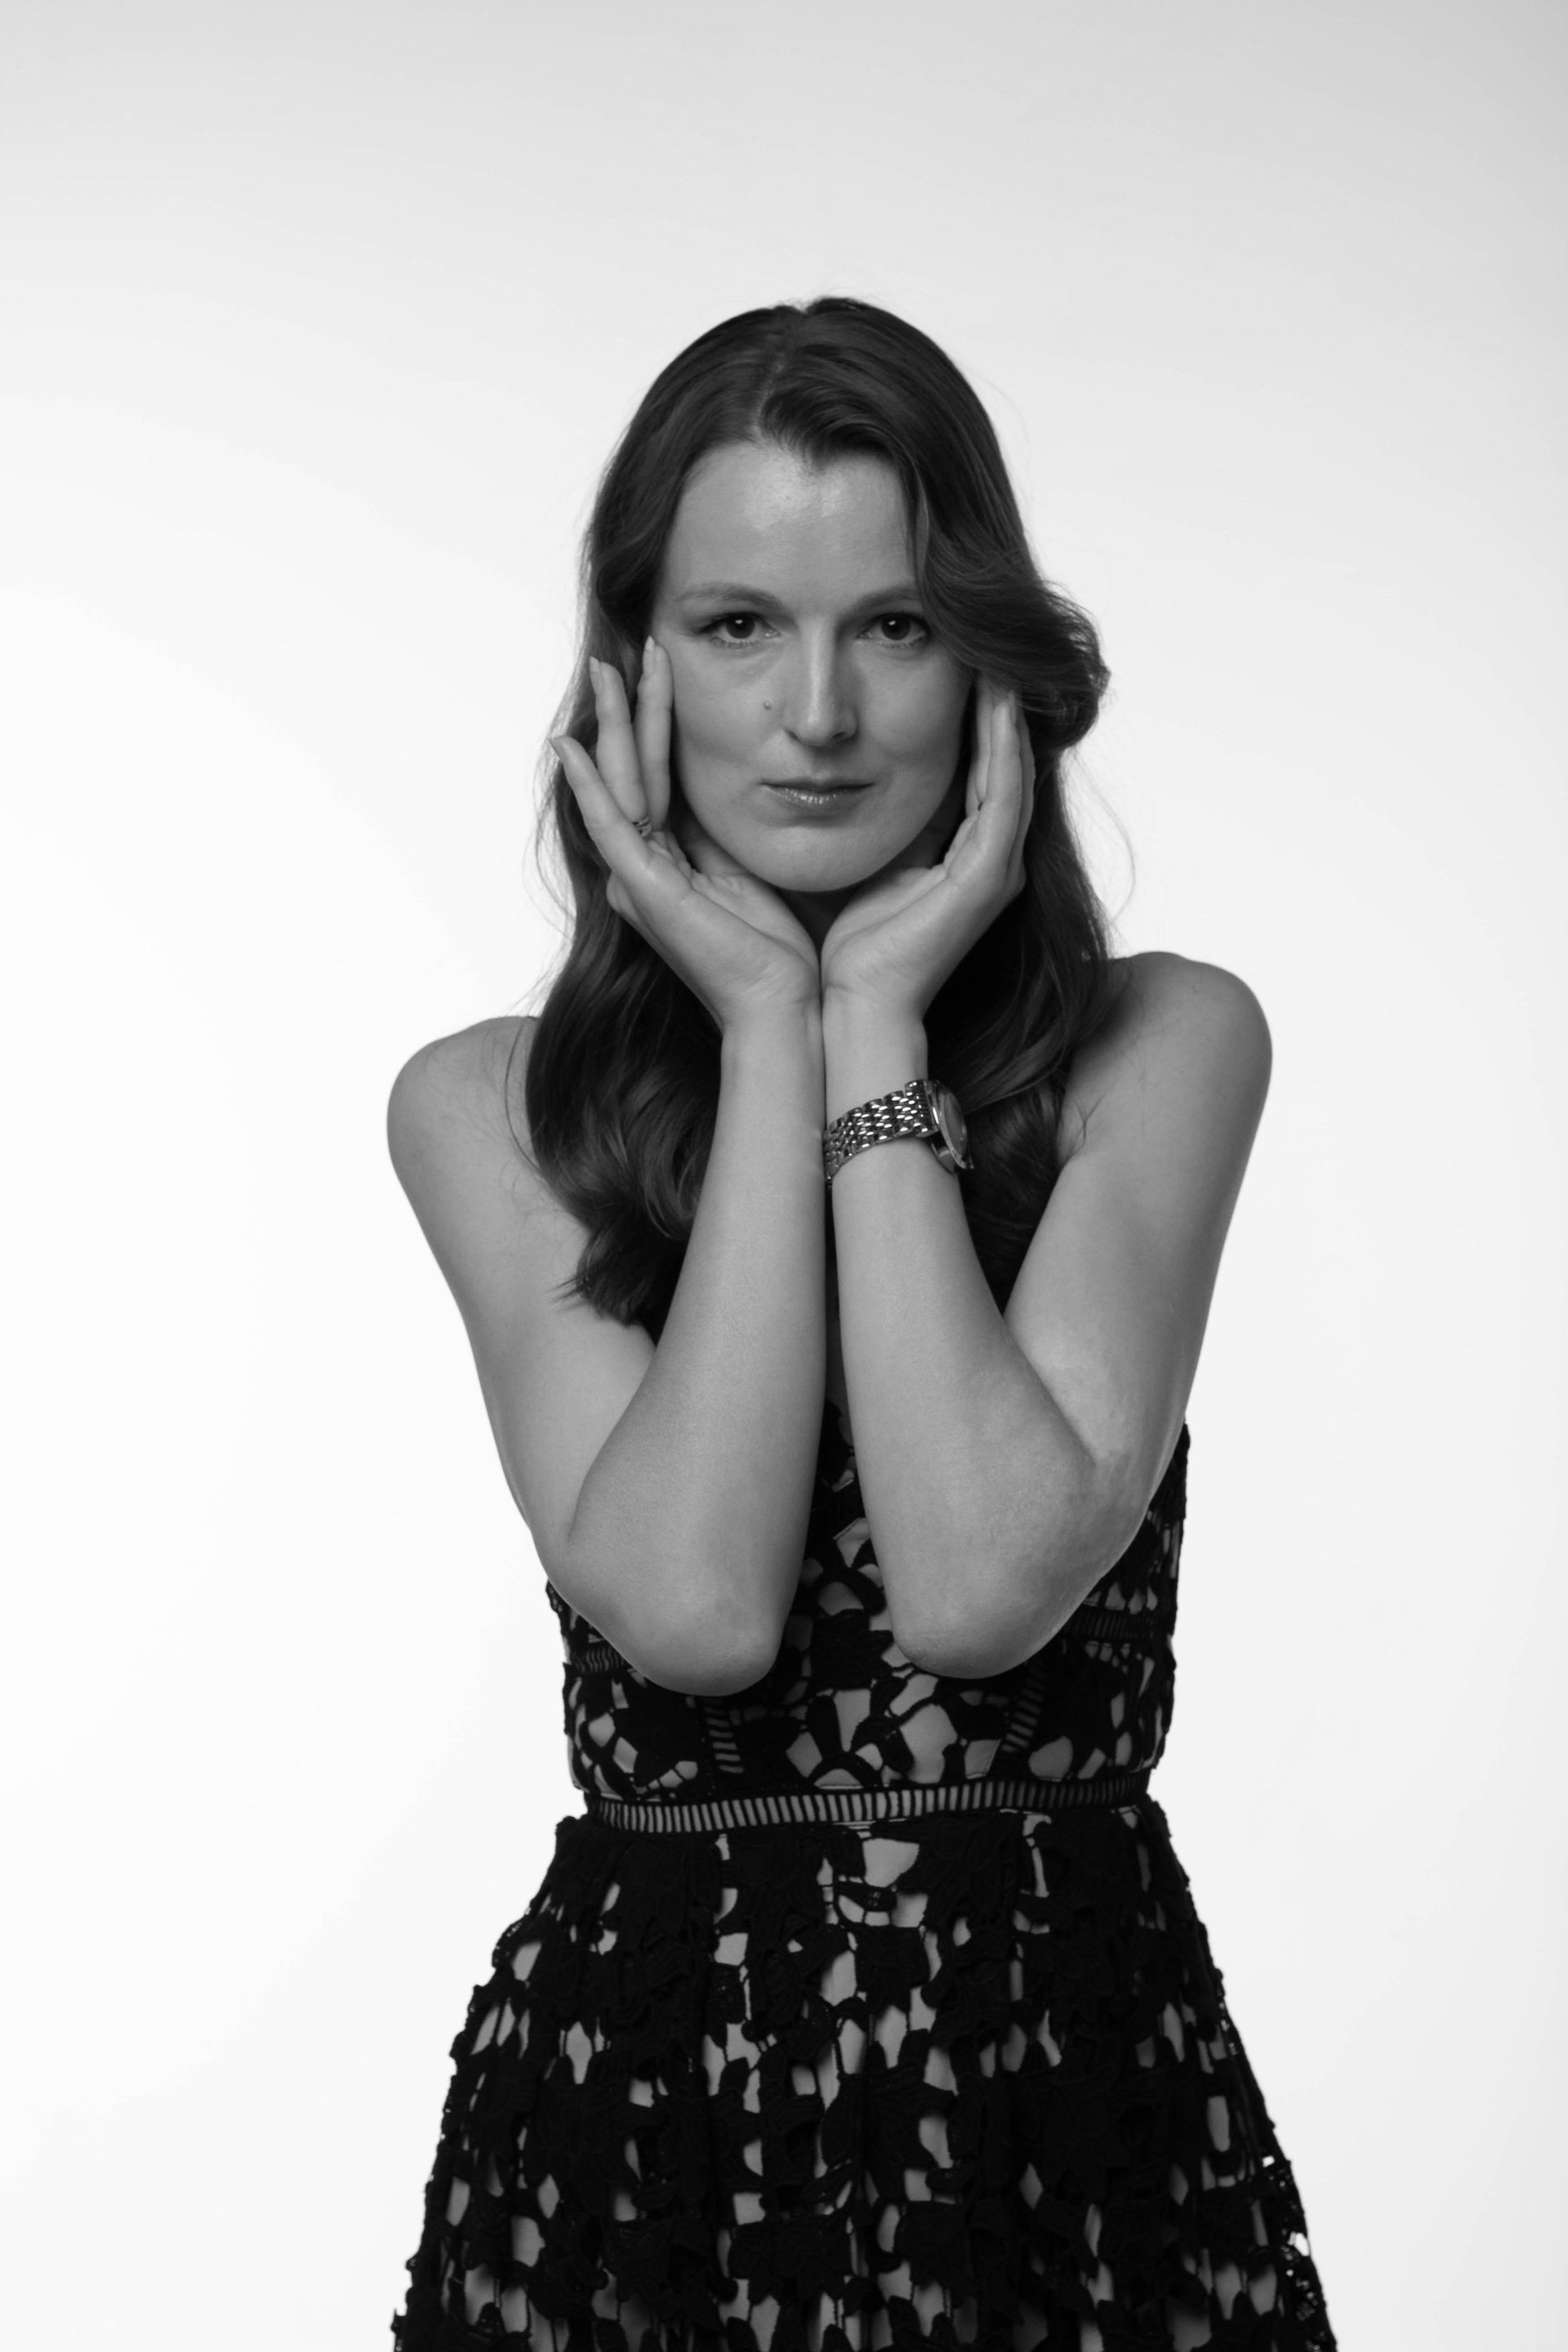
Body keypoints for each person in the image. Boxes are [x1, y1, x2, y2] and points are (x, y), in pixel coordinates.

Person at [387, 298, 1336, 2351]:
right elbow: (698, 1611)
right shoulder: (489, 1112)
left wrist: (872, 1016)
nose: (816, 714)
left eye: (893, 627)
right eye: (738, 626)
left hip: (1064, 2127)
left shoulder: (1164, 1050)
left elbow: (981, 1586)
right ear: (631, 667)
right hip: (641, 2145)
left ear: (984, 660)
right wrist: (763, 1025)